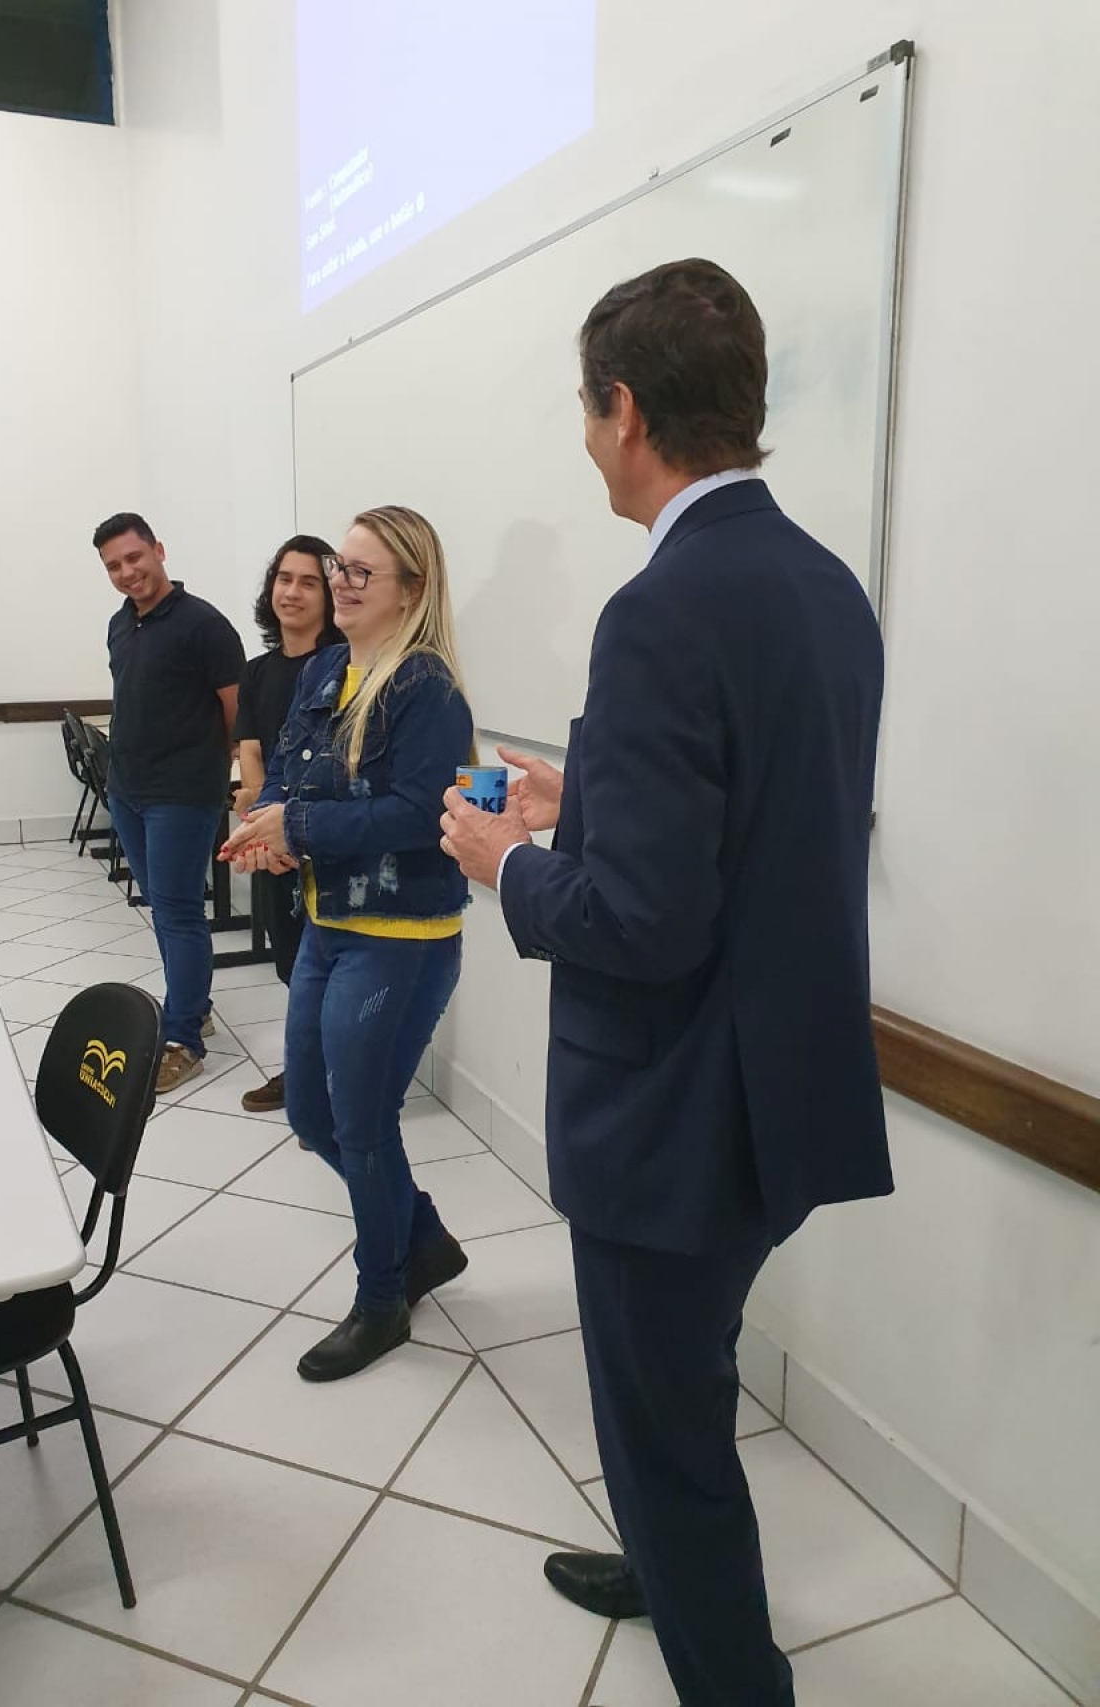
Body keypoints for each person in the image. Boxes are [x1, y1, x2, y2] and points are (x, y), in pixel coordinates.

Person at [440, 259, 892, 1706]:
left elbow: (640, 922)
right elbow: (755, 823)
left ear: (624, 410)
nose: (585, 438)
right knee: (687, 1377)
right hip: (779, 1095)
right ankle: (657, 1555)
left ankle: (731, 1673)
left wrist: (506, 859)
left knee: (665, 1426)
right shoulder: (825, 586)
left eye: (586, 409)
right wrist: (582, 798)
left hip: (674, 1115)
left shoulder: (659, 607)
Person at [220, 505, 473, 1382]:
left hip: (399, 937)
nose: (340, 584)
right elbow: (289, 769)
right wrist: (272, 825)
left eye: (361, 572)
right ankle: (423, 1235)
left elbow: (418, 812)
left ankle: (382, 1298)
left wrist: (300, 827)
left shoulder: (427, 688)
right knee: (311, 1113)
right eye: (340, 567)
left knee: (362, 1123)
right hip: (329, 924)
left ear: (412, 588)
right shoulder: (329, 666)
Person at [95, 512, 245, 1095]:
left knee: (179, 911)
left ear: (158, 550)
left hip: (181, 794)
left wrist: (221, 771)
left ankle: (183, 1039)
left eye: (134, 557)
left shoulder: (204, 625)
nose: (127, 572)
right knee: (161, 906)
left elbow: (237, 713)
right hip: (128, 789)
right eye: (113, 565)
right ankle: (193, 1006)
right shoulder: (120, 624)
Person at [232, 534, 341, 1115]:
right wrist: (260, 817)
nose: (292, 592)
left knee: (327, 966)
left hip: (326, 838)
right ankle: (306, 1069)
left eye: (308, 582)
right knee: (290, 959)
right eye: (284, 579)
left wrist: (289, 826)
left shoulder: (343, 666)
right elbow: (251, 750)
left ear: (330, 594)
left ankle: (320, 1079)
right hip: (272, 841)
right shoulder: (258, 672)